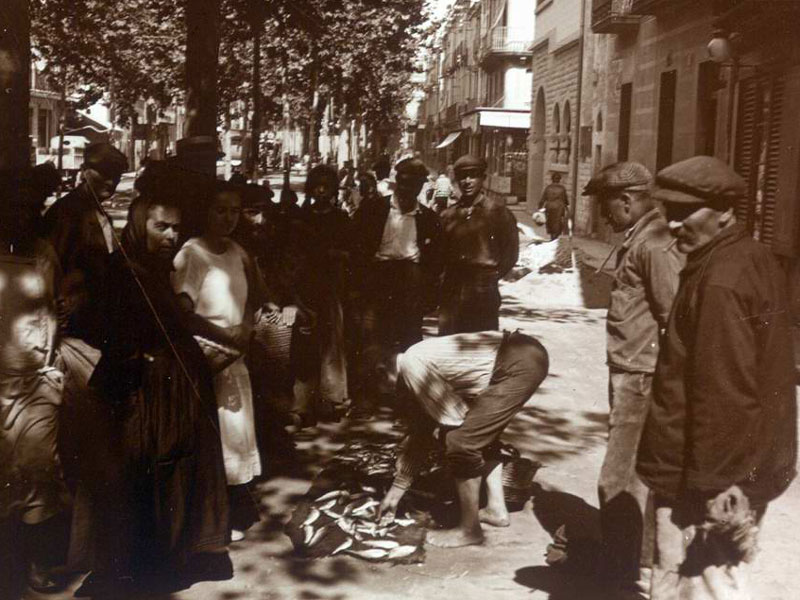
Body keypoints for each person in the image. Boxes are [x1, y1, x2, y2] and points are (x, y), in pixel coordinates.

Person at [635, 156, 797, 600]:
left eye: (686, 213)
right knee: (709, 581)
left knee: (698, 585)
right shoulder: (744, 257)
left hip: (711, 473)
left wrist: (717, 486)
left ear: (725, 212)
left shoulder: (722, 279)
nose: (673, 225)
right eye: (668, 213)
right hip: (725, 465)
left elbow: (724, 390)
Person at [87, 185, 229, 590]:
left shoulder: (156, 268)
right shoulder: (123, 269)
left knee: (176, 462)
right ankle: (141, 563)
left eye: (176, 229)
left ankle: (170, 556)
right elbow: (105, 328)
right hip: (142, 386)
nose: (171, 236)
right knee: (146, 467)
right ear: (140, 224)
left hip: (175, 385)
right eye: (161, 226)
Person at [583, 162, 683, 599]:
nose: (603, 215)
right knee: (632, 479)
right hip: (632, 370)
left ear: (627, 200)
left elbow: (673, 316)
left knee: (620, 480)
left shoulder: (654, 245)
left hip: (640, 375)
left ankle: (619, 576)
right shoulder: (641, 239)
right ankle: (634, 565)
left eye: (606, 204)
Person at [373, 331, 549, 547]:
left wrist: (451, 452)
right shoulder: (414, 361)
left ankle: (469, 530)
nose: (392, 396)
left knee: (461, 442)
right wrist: (394, 495)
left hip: (519, 362)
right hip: (524, 355)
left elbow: (451, 423)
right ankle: (496, 509)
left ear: (382, 372)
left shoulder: (411, 365)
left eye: (385, 390)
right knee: (477, 435)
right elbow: (422, 431)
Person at [173, 181, 262, 541]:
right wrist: (225, 336)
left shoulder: (238, 252)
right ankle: (210, 517)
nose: (227, 218)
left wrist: (246, 327)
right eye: (220, 210)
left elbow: (254, 298)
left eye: (234, 211)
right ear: (205, 212)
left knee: (235, 434)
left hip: (234, 357)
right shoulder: (192, 254)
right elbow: (182, 312)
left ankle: (229, 508)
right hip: (206, 357)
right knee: (213, 436)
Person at [0, 169, 69, 593]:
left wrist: (52, 363)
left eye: (31, 208)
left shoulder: (44, 254)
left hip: (36, 383)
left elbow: (56, 307)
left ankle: (36, 561)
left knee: (38, 469)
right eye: (13, 208)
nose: (22, 216)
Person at [352, 157, 443, 353]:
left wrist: (427, 293)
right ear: (396, 183)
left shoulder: (429, 219)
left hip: (410, 284)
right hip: (377, 281)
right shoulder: (373, 209)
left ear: (420, 188)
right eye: (402, 183)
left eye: (412, 185)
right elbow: (354, 247)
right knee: (372, 343)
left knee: (409, 344)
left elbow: (436, 261)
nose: (405, 189)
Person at [42, 142, 128, 350]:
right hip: (75, 324)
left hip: (98, 317)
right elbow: (52, 270)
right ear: (86, 172)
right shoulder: (67, 213)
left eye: (116, 175)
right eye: (105, 173)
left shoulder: (99, 212)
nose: (111, 181)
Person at [291, 165, 352, 423]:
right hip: (305, 283)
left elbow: (351, 253)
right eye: (317, 185)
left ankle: (332, 400)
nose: (322, 191)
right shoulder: (301, 217)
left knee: (331, 343)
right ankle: (302, 403)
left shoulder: (341, 219)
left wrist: (334, 255)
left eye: (327, 186)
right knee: (303, 344)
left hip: (331, 285)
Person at [439, 155, 519, 335]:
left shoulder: (499, 214)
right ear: (456, 181)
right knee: (448, 343)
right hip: (452, 287)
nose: (467, 181)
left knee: (481, 344)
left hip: (483, 289)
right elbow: (439, 254)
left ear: (483, 178)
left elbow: (510, 255)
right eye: (462, 177)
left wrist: (489, 278)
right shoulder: (447, 216)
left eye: (473, 175)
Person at [538, 173, 569, 240]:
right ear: (559, 180)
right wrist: (567, 206)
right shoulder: (562, 188)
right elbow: (565, 199)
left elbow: (543, 198)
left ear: (552, 179)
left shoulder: (548, 188)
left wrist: (539, 208)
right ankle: (556, 235)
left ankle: (552, 235)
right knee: (558, 221)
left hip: (549, 206)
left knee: (550, 220)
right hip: (559, 207)